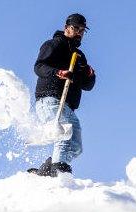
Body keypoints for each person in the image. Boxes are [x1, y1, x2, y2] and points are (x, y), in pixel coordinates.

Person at [29, 13, 96, 177]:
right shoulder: (55, 44)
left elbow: (87, 86)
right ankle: (58, 171)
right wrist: (58, 72)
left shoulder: (79, 57)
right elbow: (39, 66)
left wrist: (90, 75)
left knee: (76, 146)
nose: (79, 32)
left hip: (67, 105)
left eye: (82, 30)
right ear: (67, 28)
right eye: (76, 28)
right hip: (50, 99)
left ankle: (47, 170)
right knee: (64, 134)